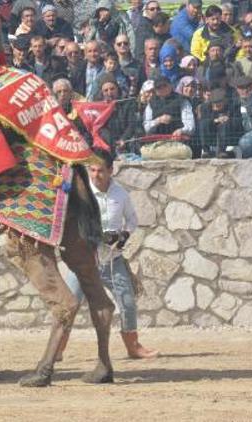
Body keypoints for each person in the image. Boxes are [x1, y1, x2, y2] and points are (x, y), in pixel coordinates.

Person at [59, 149, 158, 360]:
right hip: (82, 261)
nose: (95, 175)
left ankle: (133, 347)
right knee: (69, 304)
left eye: (101, 171)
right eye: (92, 170)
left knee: (127, 302)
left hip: (111, 259)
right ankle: (57, 348)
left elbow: (132, 220)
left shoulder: (121, 194)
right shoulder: (79, 194)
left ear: (111, 170)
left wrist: (124, 235)